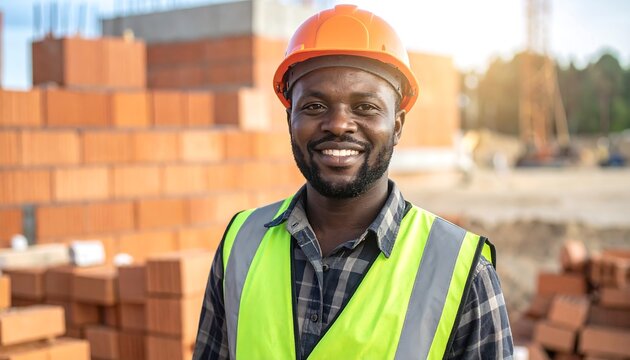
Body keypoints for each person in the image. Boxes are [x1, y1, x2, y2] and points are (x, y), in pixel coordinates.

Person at [193, 4, 513, 359]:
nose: (339, 124)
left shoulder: (462, 273)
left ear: (397, 126)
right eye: (314, 106)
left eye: (365, 107)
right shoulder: (241, 244)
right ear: (290, 120)